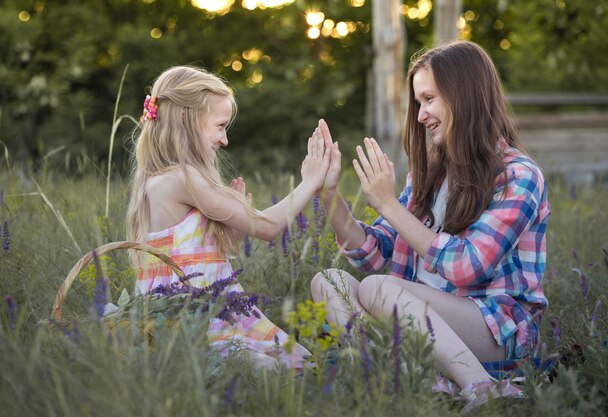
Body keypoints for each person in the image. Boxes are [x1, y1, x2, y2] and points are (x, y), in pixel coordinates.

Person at [311, 41, 550, 409]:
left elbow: (467, 267)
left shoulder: (518, 176)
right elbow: (375, 257)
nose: (421, 115)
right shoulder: (430, 178)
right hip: (423, 322)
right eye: (418, 103)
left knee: (377, 289)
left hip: (493, 329)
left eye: (429, 99)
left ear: (464, 96)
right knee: (329, 281)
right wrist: (330, 196)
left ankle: (483, 389)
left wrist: (389, 204)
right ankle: (396, 378)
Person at [126, 65, 330, 369]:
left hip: (211, 316)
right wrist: (310, 182)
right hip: (193, 327)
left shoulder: (160, 180)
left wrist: (227, 231)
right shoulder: (181, 180)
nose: (224, 140)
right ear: (188, 121)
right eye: (220, 126)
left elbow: (193, 257)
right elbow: (268, 226)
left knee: (302, 366)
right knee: (289, 371)